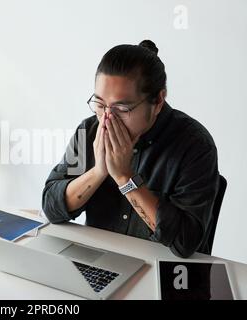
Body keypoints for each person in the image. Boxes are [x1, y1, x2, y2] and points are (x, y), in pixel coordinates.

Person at [42, 40, 220, 258]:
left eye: (122, 108)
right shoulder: (89, 129)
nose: (107, 118)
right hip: (101, 262)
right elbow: (51, 207)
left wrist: (125, 178)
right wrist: (99, 171)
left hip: (166, 275)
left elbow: (185, 242)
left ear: (158, 102)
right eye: (99, 104)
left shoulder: (195, 145)